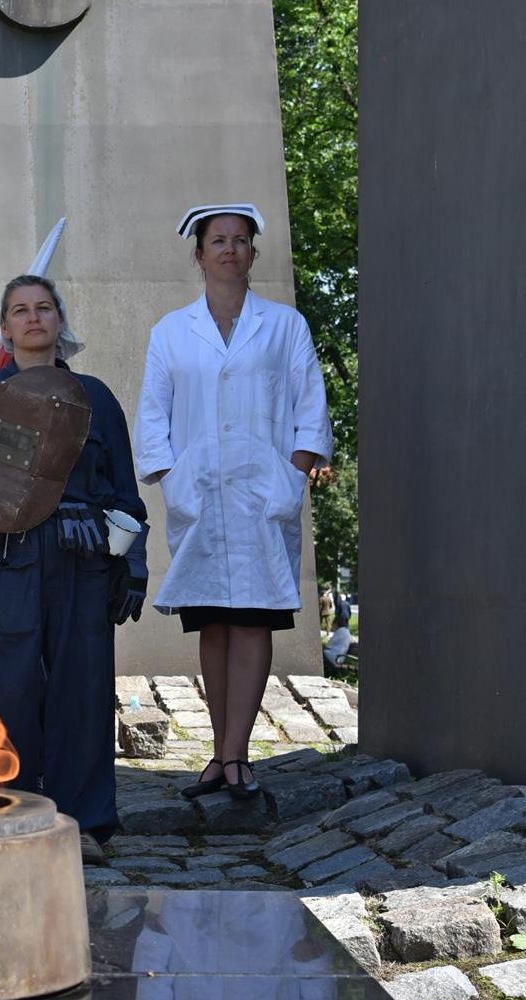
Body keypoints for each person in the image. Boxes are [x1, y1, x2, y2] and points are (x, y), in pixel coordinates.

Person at [0, 274, 147, 847]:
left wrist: (132, 562)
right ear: (7, 327)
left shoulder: (96, 398)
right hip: (7, 558)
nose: (34, 317)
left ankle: (84, 824)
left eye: (44, 307)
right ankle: (9, 815)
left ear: (60, 321)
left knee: (83, 688)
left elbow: (125, 489)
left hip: (83, 556)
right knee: (6, 690)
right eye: (20, 310)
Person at [135, 203, 333, 801]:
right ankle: (220, 755)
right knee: (213, 623)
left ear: (252, 253)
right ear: (199, 255)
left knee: (253, 617)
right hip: (200, 496)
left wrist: (290, 477)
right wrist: (173, 479)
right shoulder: (171, 331)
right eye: (217, 241)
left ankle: (238, 755)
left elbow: (309, 408)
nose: (229, 250)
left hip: (260, 495)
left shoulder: (284, 326)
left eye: (240, 241)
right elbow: (153, 415)